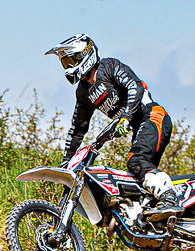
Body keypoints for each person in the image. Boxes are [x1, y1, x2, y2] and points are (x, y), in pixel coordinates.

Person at [46, 34, 179, 215]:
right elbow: (78, 128)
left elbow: (136, 87)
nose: (68, 67)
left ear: (84, 55)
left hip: (153, 116)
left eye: (71, 61)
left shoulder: (108, 66)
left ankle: (170, 198)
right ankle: (155, 216)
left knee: (137, 161)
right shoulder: (83, 92)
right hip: (139, 126)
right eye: (65, 63)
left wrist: (125, 118)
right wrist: (66, 161)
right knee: (136, 177)